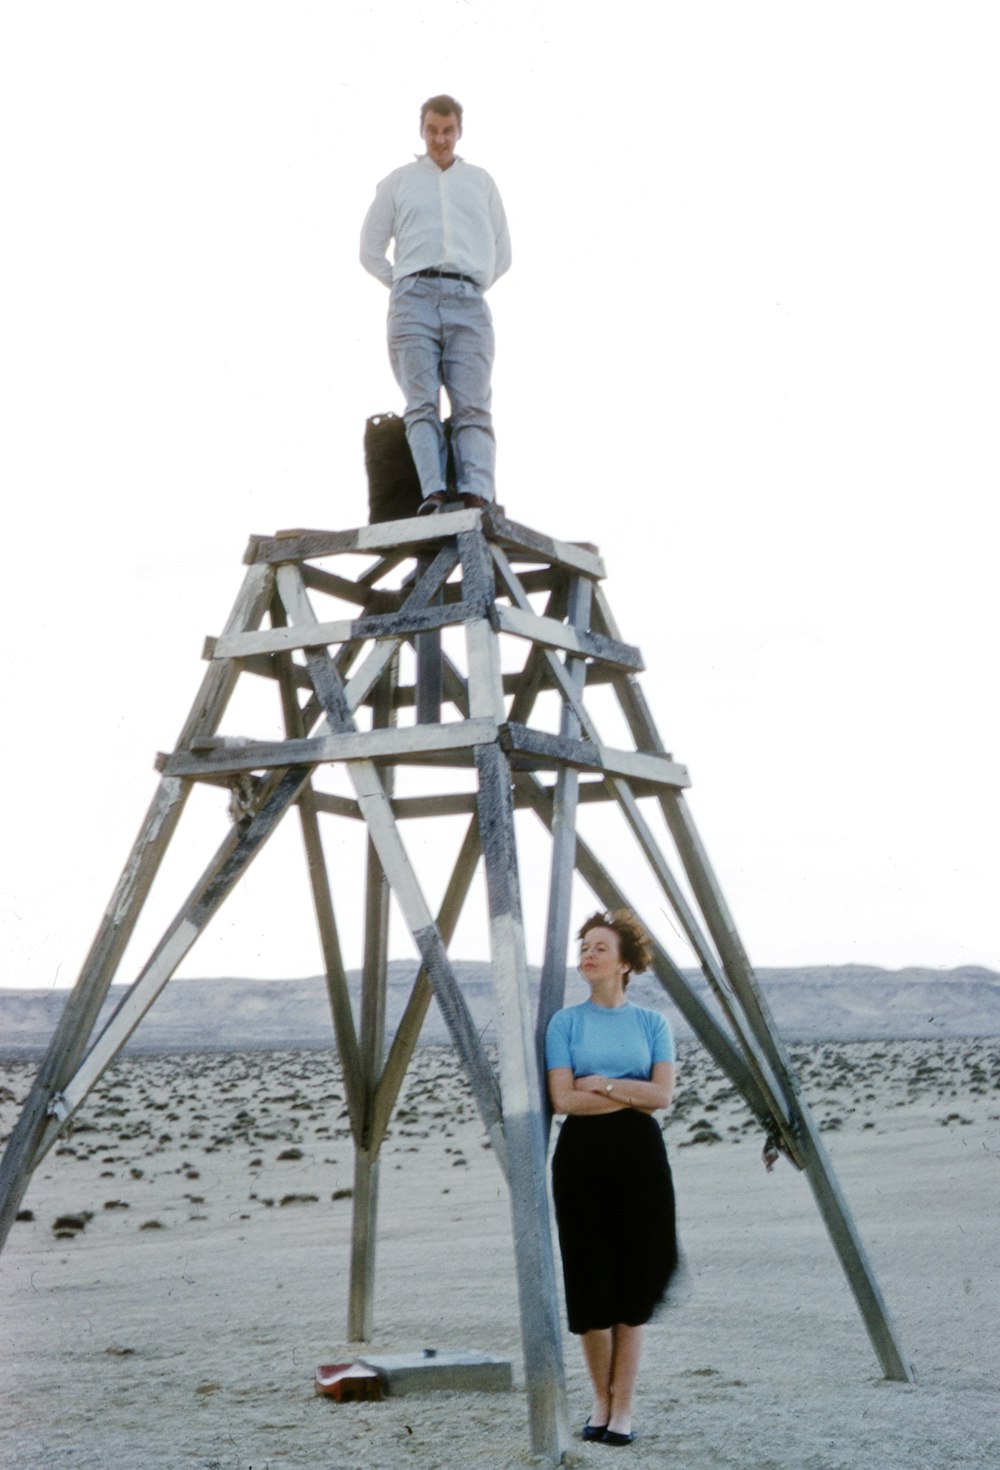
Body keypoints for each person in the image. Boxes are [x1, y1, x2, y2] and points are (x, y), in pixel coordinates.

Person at [545, 911, 678, 1447]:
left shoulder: (653, 1024)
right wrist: (626, 1091)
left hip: (640, 1162)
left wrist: (599, 1084)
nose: (589, 953)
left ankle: (622, 1408)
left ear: (624, 963)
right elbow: (562, 1099)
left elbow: (663, 1097)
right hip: (581, 1159)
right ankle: (599, 1399)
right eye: (585, 945)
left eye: (601, 947)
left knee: (632, 1286)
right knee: (589, 1287)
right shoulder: (565, 1023)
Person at [360, 94, 511, 515]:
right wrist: (405, 283)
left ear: (458, 131)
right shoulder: (399, 181)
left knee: (473, 403)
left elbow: (503, 253)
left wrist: (470, 282)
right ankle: (433, 493)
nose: (440, 139)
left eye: (447, 131)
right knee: (421, 402)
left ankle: (476, 493)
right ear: (422, 130)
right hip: (414, 301)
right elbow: (370, 250)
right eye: (432, 130)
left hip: (467, 300)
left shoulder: (480, 182)